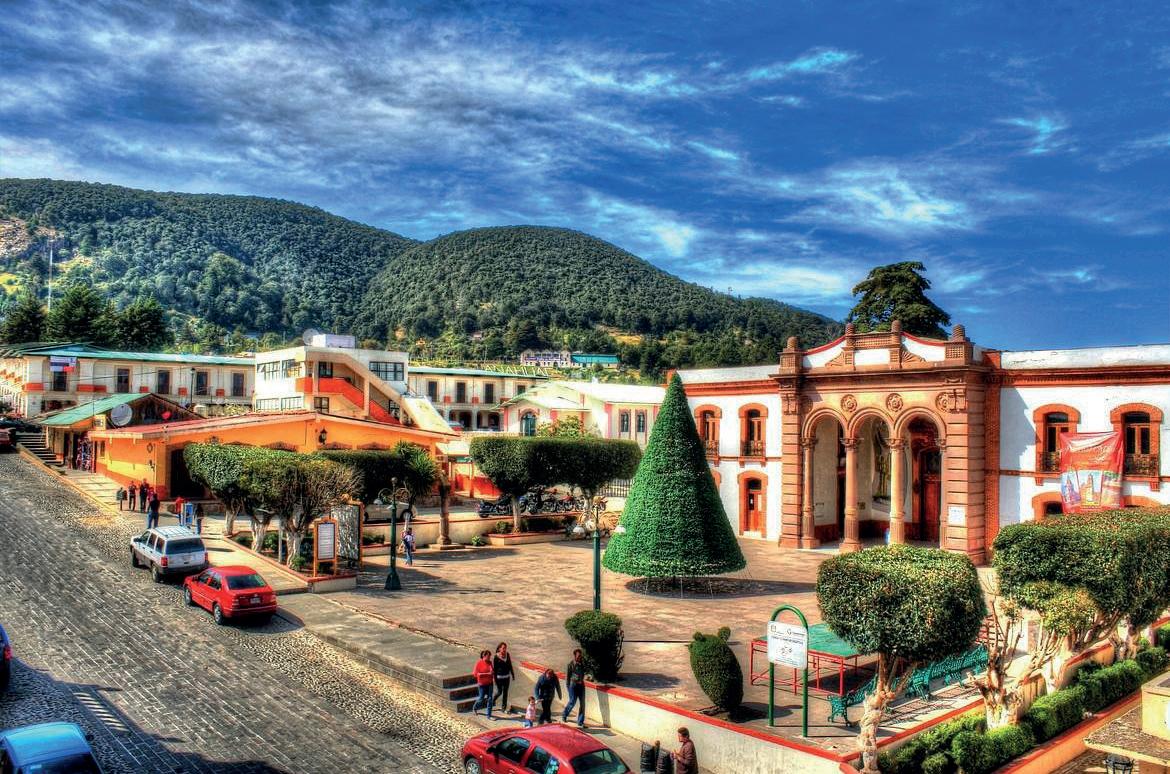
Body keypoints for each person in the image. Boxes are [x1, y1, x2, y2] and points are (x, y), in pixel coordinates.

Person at [562, 648, 587, 727]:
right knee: (572, 701)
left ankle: (580, 722)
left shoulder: (582, 664)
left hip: (581, 685)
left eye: (580, 656)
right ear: (575, 656)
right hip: (573, 685)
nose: (579, 657)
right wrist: (568, 687)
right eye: (578, 656)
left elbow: (585, 672)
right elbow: (567, 677)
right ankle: (564, 714)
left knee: (582, 703)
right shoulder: (570, 664)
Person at [471, 650, 495, 718]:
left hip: (490, 683)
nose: (489, 657)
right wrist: (486, 674)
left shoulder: (490, 663)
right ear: (484, 656)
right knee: (481, 698)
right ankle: (475, 707)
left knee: (490, 699)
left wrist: (492, 673)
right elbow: (475, 674)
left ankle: (489, 715)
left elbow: (492, 672)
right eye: (488, 656)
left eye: (490, 656)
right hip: (482, 684)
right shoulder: (479, 663)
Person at [493, 642, 515, 713]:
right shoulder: (496, 657)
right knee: (499, 692)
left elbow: (510, 665)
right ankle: (493, 700)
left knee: (505, 693)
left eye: (505, 648)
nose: (504, 649)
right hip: (499, 677)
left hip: (507, 677)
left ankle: (503, 707)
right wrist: (495, 679)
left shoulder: (507, 654)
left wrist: (512, 674)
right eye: (503, 648)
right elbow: (495, 669)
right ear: (499, 648)